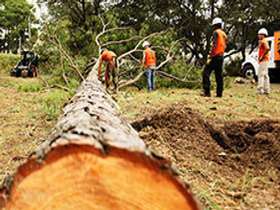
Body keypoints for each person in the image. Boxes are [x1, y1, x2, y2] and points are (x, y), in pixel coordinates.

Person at [202, 17, 228, 97]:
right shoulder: (224, 34)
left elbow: (214, 44)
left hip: (215, 56)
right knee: (219, 75)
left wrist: (210, 56)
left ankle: (207, 92)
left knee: (205, 72)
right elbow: (225, 45)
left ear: (215, 25)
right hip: (221, 56)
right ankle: (219, 94)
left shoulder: (216, 32)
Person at [257, 28, 270, 95]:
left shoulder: (263, 41)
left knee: (261, 74)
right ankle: (266, 90)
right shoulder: (264, 41)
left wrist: (262, 56)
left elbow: (267, 48)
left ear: (263, 35)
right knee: (265, 75)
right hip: (266, 60)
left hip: (263, 60)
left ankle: (260, 89)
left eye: (259, 34)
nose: (258, 36)